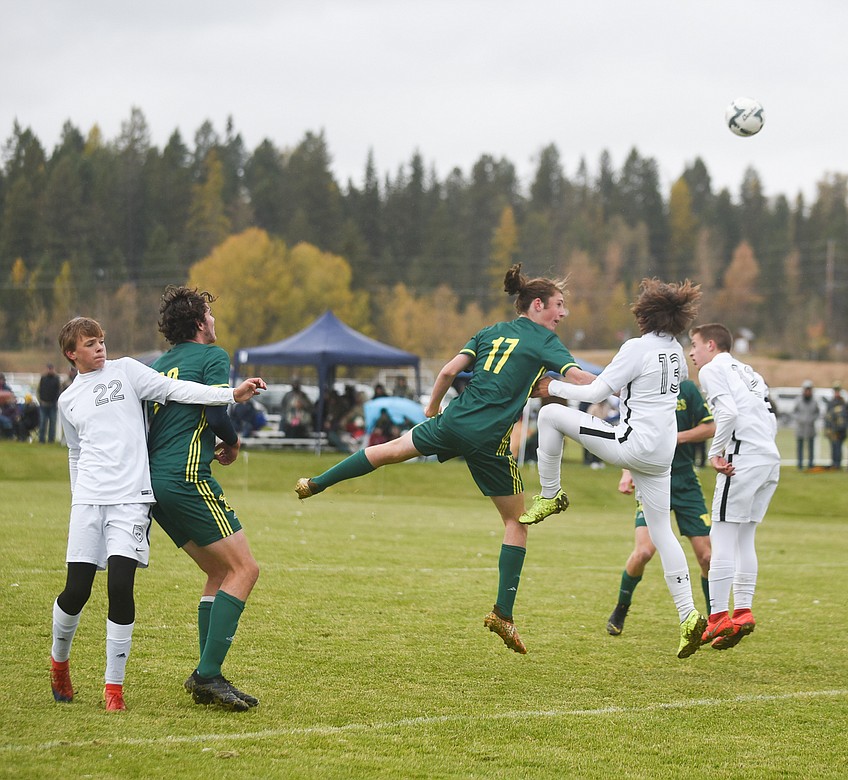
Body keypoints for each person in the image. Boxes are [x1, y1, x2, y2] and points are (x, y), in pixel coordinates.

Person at [295, 265, 594, 654]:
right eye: (559, 305)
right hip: (489, 440)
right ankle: (503, 613)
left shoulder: (489, 332)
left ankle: (315, 482)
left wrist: (433, 409)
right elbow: (580, 380)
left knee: (390, 451)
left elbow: (449, 371)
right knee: (516, 522)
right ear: (537, 305)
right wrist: (625, 384)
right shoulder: (545, 341)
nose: (563, 313)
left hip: (454, 420)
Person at [50, 316, 264, 711]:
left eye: (102, 340)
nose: (100, 347)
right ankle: (59, 661)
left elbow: (176, 389)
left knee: (120, 588)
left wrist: (231, 396)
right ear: (71, 354)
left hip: (133, 499)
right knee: (76, 591)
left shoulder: (129, 371)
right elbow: (75, 452)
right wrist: (78, 496)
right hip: (90, 502)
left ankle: (113, 690)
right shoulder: (68, 400)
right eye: (90, 343)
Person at [524, 278, 709, 659]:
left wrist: (552, 387)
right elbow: (638, 390)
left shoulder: (636, 347)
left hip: (633, 445)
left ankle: (549, 494)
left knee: (552, 416)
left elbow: (594, 394)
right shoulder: (676, 352)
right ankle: (688, 615)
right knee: (662, 533)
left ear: (645, 314)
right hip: (662, 455)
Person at [148, 286, 272, 711]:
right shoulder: (212, 357)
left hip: (155, 483)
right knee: (246, 569)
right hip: (186, 477)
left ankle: (207, 672)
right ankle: (207, 674)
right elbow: (217, 412)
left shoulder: (160, 364)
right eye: (210, 314)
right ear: (200, 323)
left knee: (219, 572)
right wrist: (233, 442)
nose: (215, 321)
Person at [688, 323, 780, 651]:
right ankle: (742, 610)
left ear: (711, 345)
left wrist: (716, 453)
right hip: (769, 457)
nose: (691, 352)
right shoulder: (748, 371)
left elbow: (725, 413)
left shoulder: (713, 369)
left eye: (695, 345)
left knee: (722, 535)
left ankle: (718, 617)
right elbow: (770, 418)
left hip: (743, 459)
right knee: (745, 538)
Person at [606, 378, 714, 636]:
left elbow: (710, 427)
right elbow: (628, 436)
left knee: (707, 557)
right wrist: (626, 473)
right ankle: (621, 607)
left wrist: (675, 437)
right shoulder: (642, 387)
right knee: (643, 552)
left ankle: (715, 620)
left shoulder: (687, 389)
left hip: (685, 481)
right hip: (650, 478)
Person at [792, 380, 819, 470]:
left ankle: (810, 464)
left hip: (811, 427)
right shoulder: (798, 401)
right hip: (801, 427)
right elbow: (794, 412)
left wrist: (812, 419)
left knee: (811, 447)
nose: (807, 392)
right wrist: (799, 419)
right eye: (806, 390)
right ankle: (800, 464)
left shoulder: (814, 401)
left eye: (809, 390)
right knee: (800, 447)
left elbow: (817, 412)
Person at [823, 382, 848, 470]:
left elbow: (845, 416)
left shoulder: (843, 402)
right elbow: (828, 416)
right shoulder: (831, 403)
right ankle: (834, 463)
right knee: (833, 447)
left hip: (840, 430)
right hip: (832, 430)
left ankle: (838, 464)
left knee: (838, 447)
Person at [39, 363, 62, 443]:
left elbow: (58, 391)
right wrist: (41, 400)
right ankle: (41, 439)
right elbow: (40, 390)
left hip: (52, 405)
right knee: (42, 423)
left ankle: (51, 440)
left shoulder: (56, 379)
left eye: (51, 369)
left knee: (52, 424)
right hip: (43, 404)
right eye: (48, 368)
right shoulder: (43, 378)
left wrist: (55, 401)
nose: (50, 370)